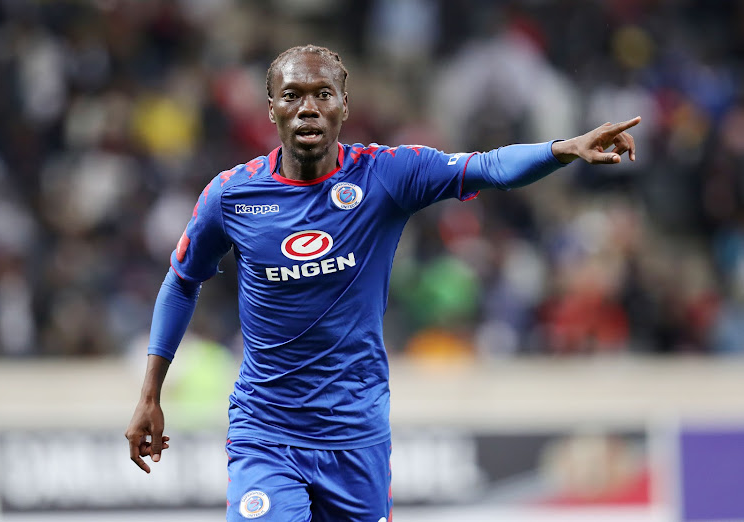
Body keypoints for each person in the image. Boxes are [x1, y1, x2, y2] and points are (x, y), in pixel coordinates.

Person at [125, 44, 640, 521]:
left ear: (344, 106)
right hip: (267, 431)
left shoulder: (385, 177)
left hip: (356, 435)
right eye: (292, 96)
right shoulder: (232, 197)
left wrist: (562, 149)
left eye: (322, 94)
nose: (308, 108)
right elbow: (181, 281)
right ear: (271, 110)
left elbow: (486, 167)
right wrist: (150, 394)